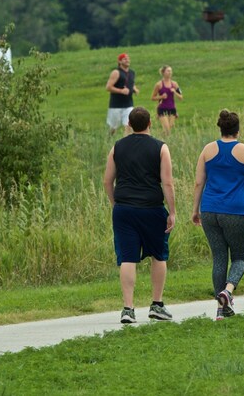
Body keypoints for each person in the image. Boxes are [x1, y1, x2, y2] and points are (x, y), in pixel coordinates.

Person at [102, 107, 176, 324]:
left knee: (127, 257)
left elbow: (107, 181)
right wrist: (172, 211)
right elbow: (167, 182)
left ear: (129, 125)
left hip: (124, 209)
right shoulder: (161, 148)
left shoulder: (117, 147)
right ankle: (157, 304)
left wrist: (116, 203)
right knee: (158, 254)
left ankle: (128, 308)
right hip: (152, 208)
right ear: (150, 123)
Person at [191, 110, 244, 321]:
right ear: (237, 129)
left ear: (220, 128)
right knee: (240, 257)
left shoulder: (207, 150)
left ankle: (220, 310)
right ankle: (228, 292)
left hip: (209, 211)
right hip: (235, 211)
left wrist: (195, 210)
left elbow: (198, 183)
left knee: (219, 258)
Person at [105, 53, 139, 137]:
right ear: (119, 61)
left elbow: (130, 82)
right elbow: (108, 87)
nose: (127, 60)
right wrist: (121, 91)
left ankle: (126, 144)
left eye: (128, 58)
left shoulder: (132, 72)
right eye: (124, 59)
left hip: (128, 104)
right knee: (113, 128)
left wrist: (134, 89)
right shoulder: (116, 72)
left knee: (129, 125)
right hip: (116, 105)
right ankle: (108, 138)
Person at [151, 65, 184, 136]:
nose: (170, 73)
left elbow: (181, 97)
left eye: (171, 71)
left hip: (172, 109)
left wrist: (174, 92)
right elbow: (153, 97)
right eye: (168, 71)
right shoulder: (159, 84)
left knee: (169, 129)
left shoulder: (174, 84)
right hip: (162, 108)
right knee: (167, 129)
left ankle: (159, 138)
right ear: (163, 72)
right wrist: (161, 96)